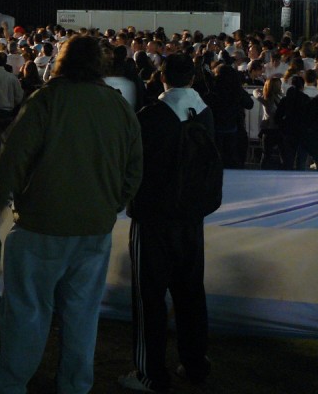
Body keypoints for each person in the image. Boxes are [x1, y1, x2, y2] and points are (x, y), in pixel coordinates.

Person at [0, 35, 143, 394]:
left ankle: (9, 386)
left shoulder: (47, 101)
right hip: (93, 230)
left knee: (26, 313)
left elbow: (13, 158)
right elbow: (134, 168)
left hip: (40, 227)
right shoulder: (118, 105)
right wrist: (110, 203)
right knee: (81, 317)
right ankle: (74, 386)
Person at [121, 53, 219, 393]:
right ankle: (195, 364)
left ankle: (150, 374)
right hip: (191, 219)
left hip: (153, 219)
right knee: (191, 293)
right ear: (191, 79)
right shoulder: (205, 114)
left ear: (161, 78)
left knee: (149, 298)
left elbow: (132, 163)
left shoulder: (151, 116)